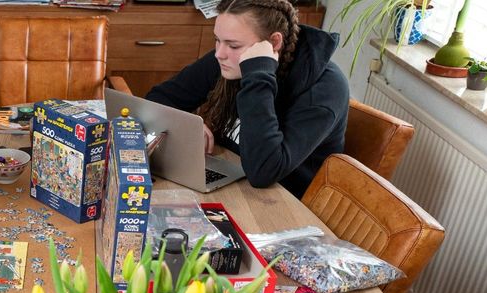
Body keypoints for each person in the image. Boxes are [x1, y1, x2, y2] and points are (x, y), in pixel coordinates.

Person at [146, 0, 348, 198]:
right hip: (233, 177)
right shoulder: (229, 57)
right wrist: (188, 124)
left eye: (233, 45)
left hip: (283, 202)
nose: (219, 54)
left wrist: (258, 74)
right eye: (217, 40)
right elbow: (159, 98)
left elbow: (263, 172)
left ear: (274, 42)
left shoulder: (325, 90)